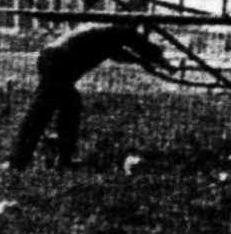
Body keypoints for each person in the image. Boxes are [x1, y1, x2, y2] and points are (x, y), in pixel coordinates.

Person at [9, 23, 169, 170]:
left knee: (69, 106)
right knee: (40, 114)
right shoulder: (122, 31)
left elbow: (117, 53)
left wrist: (143, 60)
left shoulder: (103, 33)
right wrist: (161, 60)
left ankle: (60, 160)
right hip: (58, 62)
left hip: (51, 59)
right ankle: (20, 162)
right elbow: (141, 46)